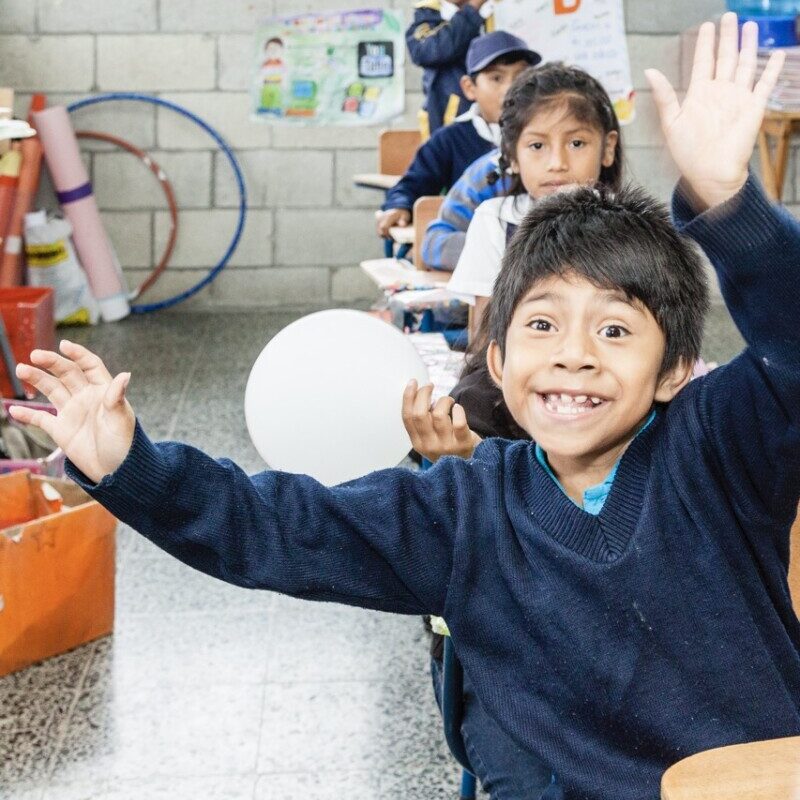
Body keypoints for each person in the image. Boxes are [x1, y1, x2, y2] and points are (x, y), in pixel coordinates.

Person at [11, 16, 796, 800]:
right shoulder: (462, 512)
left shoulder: (720, 448)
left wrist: (730, 206)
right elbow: (275, 527)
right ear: (496, 359)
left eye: (616, 328)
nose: (574, 353)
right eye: (543, 324)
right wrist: (129, 467)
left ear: (675, 371)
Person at [447, 61, 623, 335]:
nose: (557, 163)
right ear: (512, 156)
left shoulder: (631, 227)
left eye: (576, 143)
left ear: (607, 148)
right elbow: (485, 342)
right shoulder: (496, 221)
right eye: (537, 145)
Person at [376, 31, 540, 239]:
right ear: (469, 88)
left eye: (522, 77)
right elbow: (412, 185)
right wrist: (400, 205)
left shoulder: (547, 136)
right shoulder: (449, 139)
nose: (511, 88)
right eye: (496, 78)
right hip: (470, 246)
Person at [406, 0, 490, 136]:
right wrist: (472, 10)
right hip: (448, 117)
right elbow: (426, 51)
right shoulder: (428, 12)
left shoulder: (498, 8)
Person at [420, 147, 508, 270]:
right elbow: (433, 245)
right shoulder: (489, 175)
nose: (546, 164)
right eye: (537, 146)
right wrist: (499, 252)